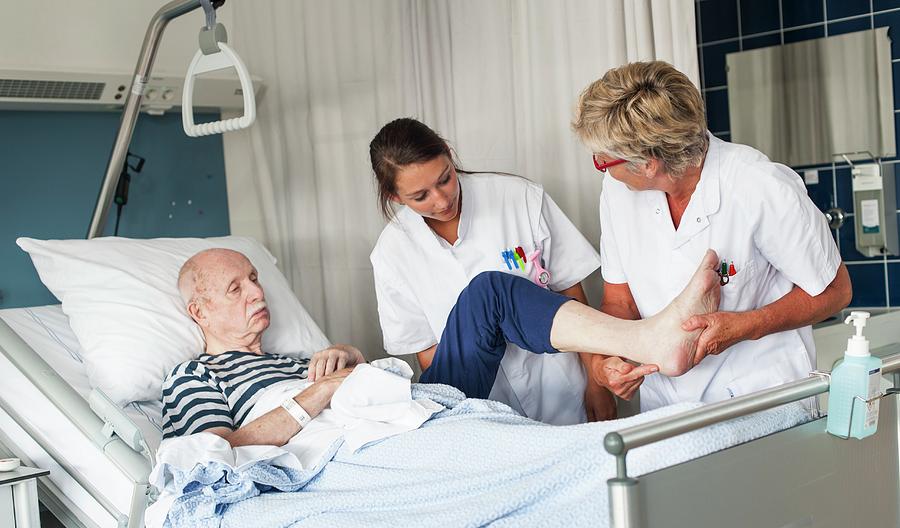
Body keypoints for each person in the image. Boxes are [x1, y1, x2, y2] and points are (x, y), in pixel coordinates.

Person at [160, 247, 721, 444]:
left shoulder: (298, 355)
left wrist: (349, 360)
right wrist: (319, 395)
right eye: (236, 288)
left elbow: (362, 382)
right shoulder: (194, 377)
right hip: (360, 436)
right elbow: (218, 453)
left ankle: (648, 339)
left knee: (489, 292)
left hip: (408, 401)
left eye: (256, 278)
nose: (258, 292)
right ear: (199, 311)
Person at [570, 61, 853, 412]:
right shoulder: (617, 193)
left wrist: (743, 326)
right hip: (667, 409)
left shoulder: (758, 184)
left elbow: (835, 290)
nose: (600, 165)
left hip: (762, 399)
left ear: (648, 163)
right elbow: (620, 302)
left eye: (603, 160)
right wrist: (609, 361)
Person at [368, 118, 612, 425]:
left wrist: (596, 381)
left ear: (448, 153)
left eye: (445, 179)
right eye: (421, 196)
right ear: (395, 196)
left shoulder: (518, 197)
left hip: (562, 388)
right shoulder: (392, 253)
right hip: (485, 411)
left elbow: (571, 294)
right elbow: (430, 354)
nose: (442, 200)